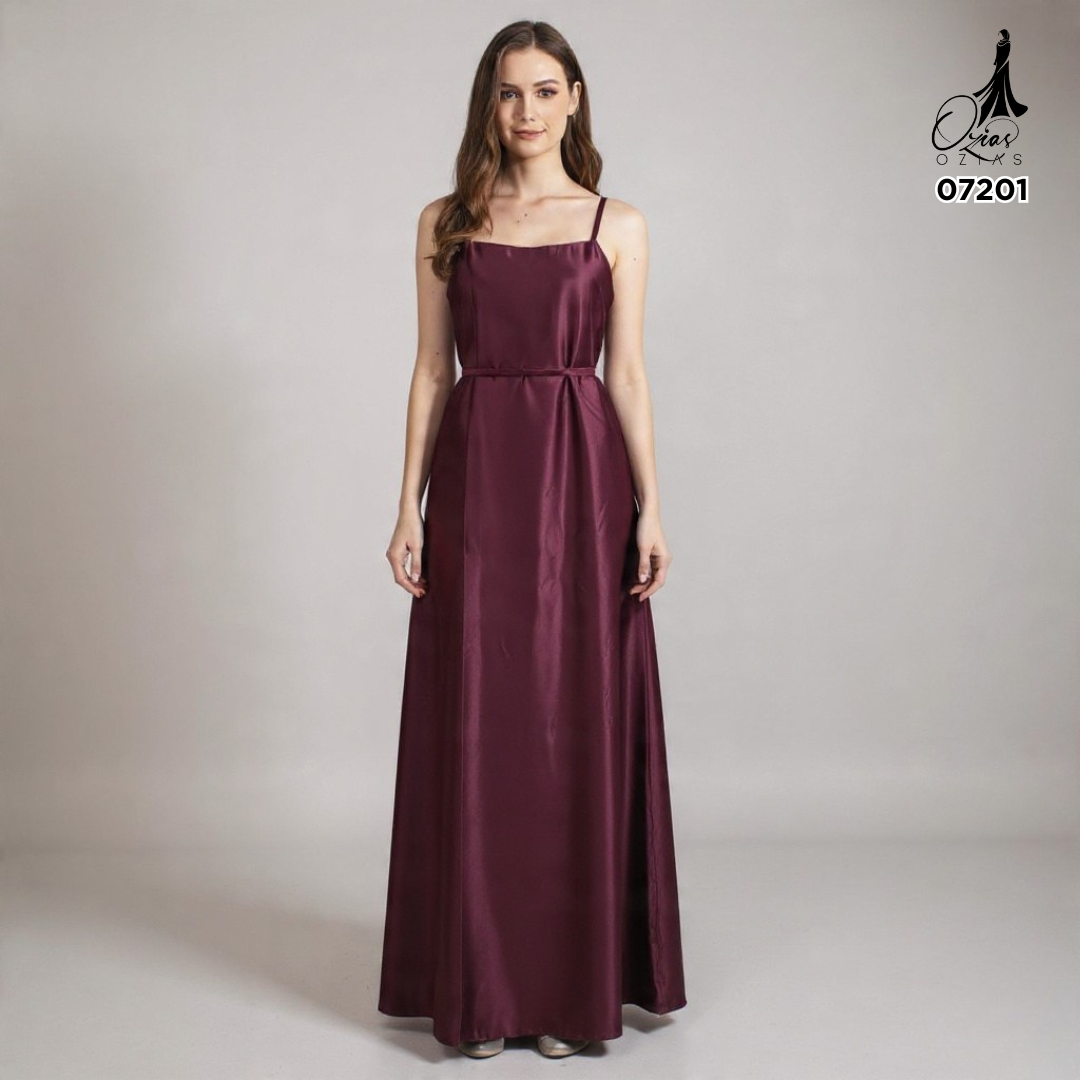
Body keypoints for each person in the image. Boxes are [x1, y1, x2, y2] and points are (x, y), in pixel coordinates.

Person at [378, 19, 687, 1060]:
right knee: (485, 723)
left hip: (583, 481)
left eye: (545, 90)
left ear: (574, 99)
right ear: (488, 102)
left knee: (569, 724)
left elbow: (627, 373)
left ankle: (562, 992)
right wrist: (407, 505)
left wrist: (653, 506)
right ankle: (483, 990)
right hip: (478, 483)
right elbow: (431, 369)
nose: (526, 112)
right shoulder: (446, 221)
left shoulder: (616, 223)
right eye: (509, 93)